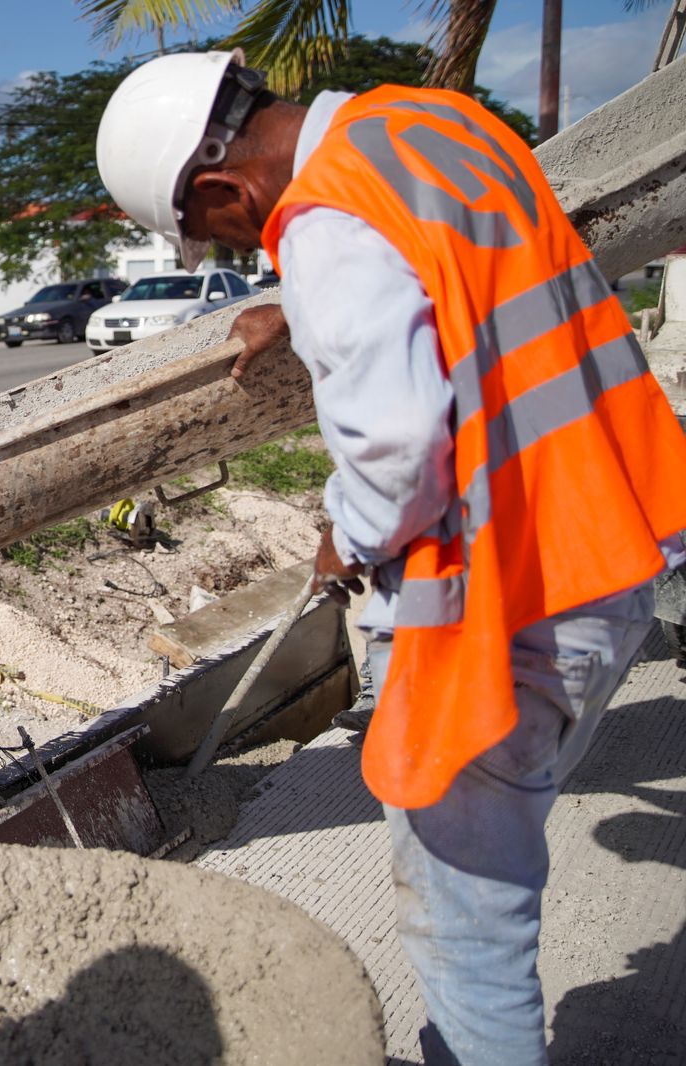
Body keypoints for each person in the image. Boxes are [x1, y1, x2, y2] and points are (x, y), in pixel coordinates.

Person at [97, 52, 686, 1064]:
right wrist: (308, 303)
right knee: (493, 867)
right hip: (607, 548)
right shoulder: (428, 127)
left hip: (506, 602)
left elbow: (401, 448)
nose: (244, 245)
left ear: (222, 187)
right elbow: (459, 268)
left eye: (222, 231)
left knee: (467, 930)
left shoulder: (328, 227)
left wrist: (348, 527)